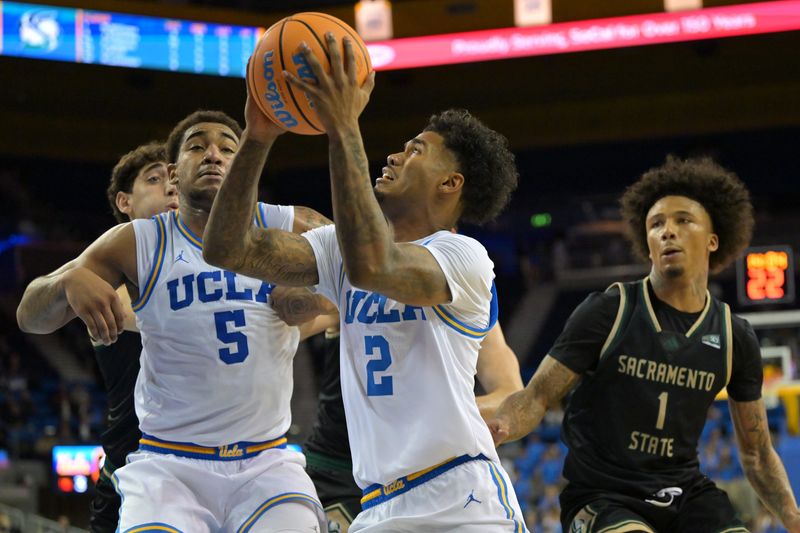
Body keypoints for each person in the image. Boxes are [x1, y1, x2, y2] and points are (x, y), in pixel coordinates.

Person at [203, 34, 526, 532]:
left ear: (450, 184)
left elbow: (375, 266)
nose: (394, 156)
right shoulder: (339, 250)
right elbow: (227, 249)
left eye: (415, 151)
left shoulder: (464, 258)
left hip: (461, 500)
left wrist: (343, 126)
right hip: (378, 506)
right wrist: (256, 138)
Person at [16, 110, 335, 532]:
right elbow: (29, 316)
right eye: (197, 146)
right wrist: (66, 281)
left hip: (267, 464)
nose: (213, 155)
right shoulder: (141, 240)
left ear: (246, 164)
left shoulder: (289, 224)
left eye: (228, 148)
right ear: (173, 174)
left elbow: (362, 276)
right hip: (170, 466)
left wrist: (314, 297)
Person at [489, 156, 800, 533]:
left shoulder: (734, 337)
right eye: (656, 224)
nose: (668, 231)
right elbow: (537, 396)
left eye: (683, 220)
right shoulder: (609, 311)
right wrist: (502, 424)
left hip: (685, 493)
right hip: (603, 494)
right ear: (647, 246)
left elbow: (757, 454)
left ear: (713, 240)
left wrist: (793, 516)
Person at [270, 286, 524, 532]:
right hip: (340, 469)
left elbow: (510, 393)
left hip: (431, 476)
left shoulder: (463, 287)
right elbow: (278, 329)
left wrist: (454, 415)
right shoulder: (354, 282)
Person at [90, 141, 178, 533]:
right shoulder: (108, 269)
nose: (170, 187)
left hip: (214, 464)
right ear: (125, 202)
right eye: (155, 179)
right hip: (129, 468)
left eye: (176, 179)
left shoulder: (211, 262)